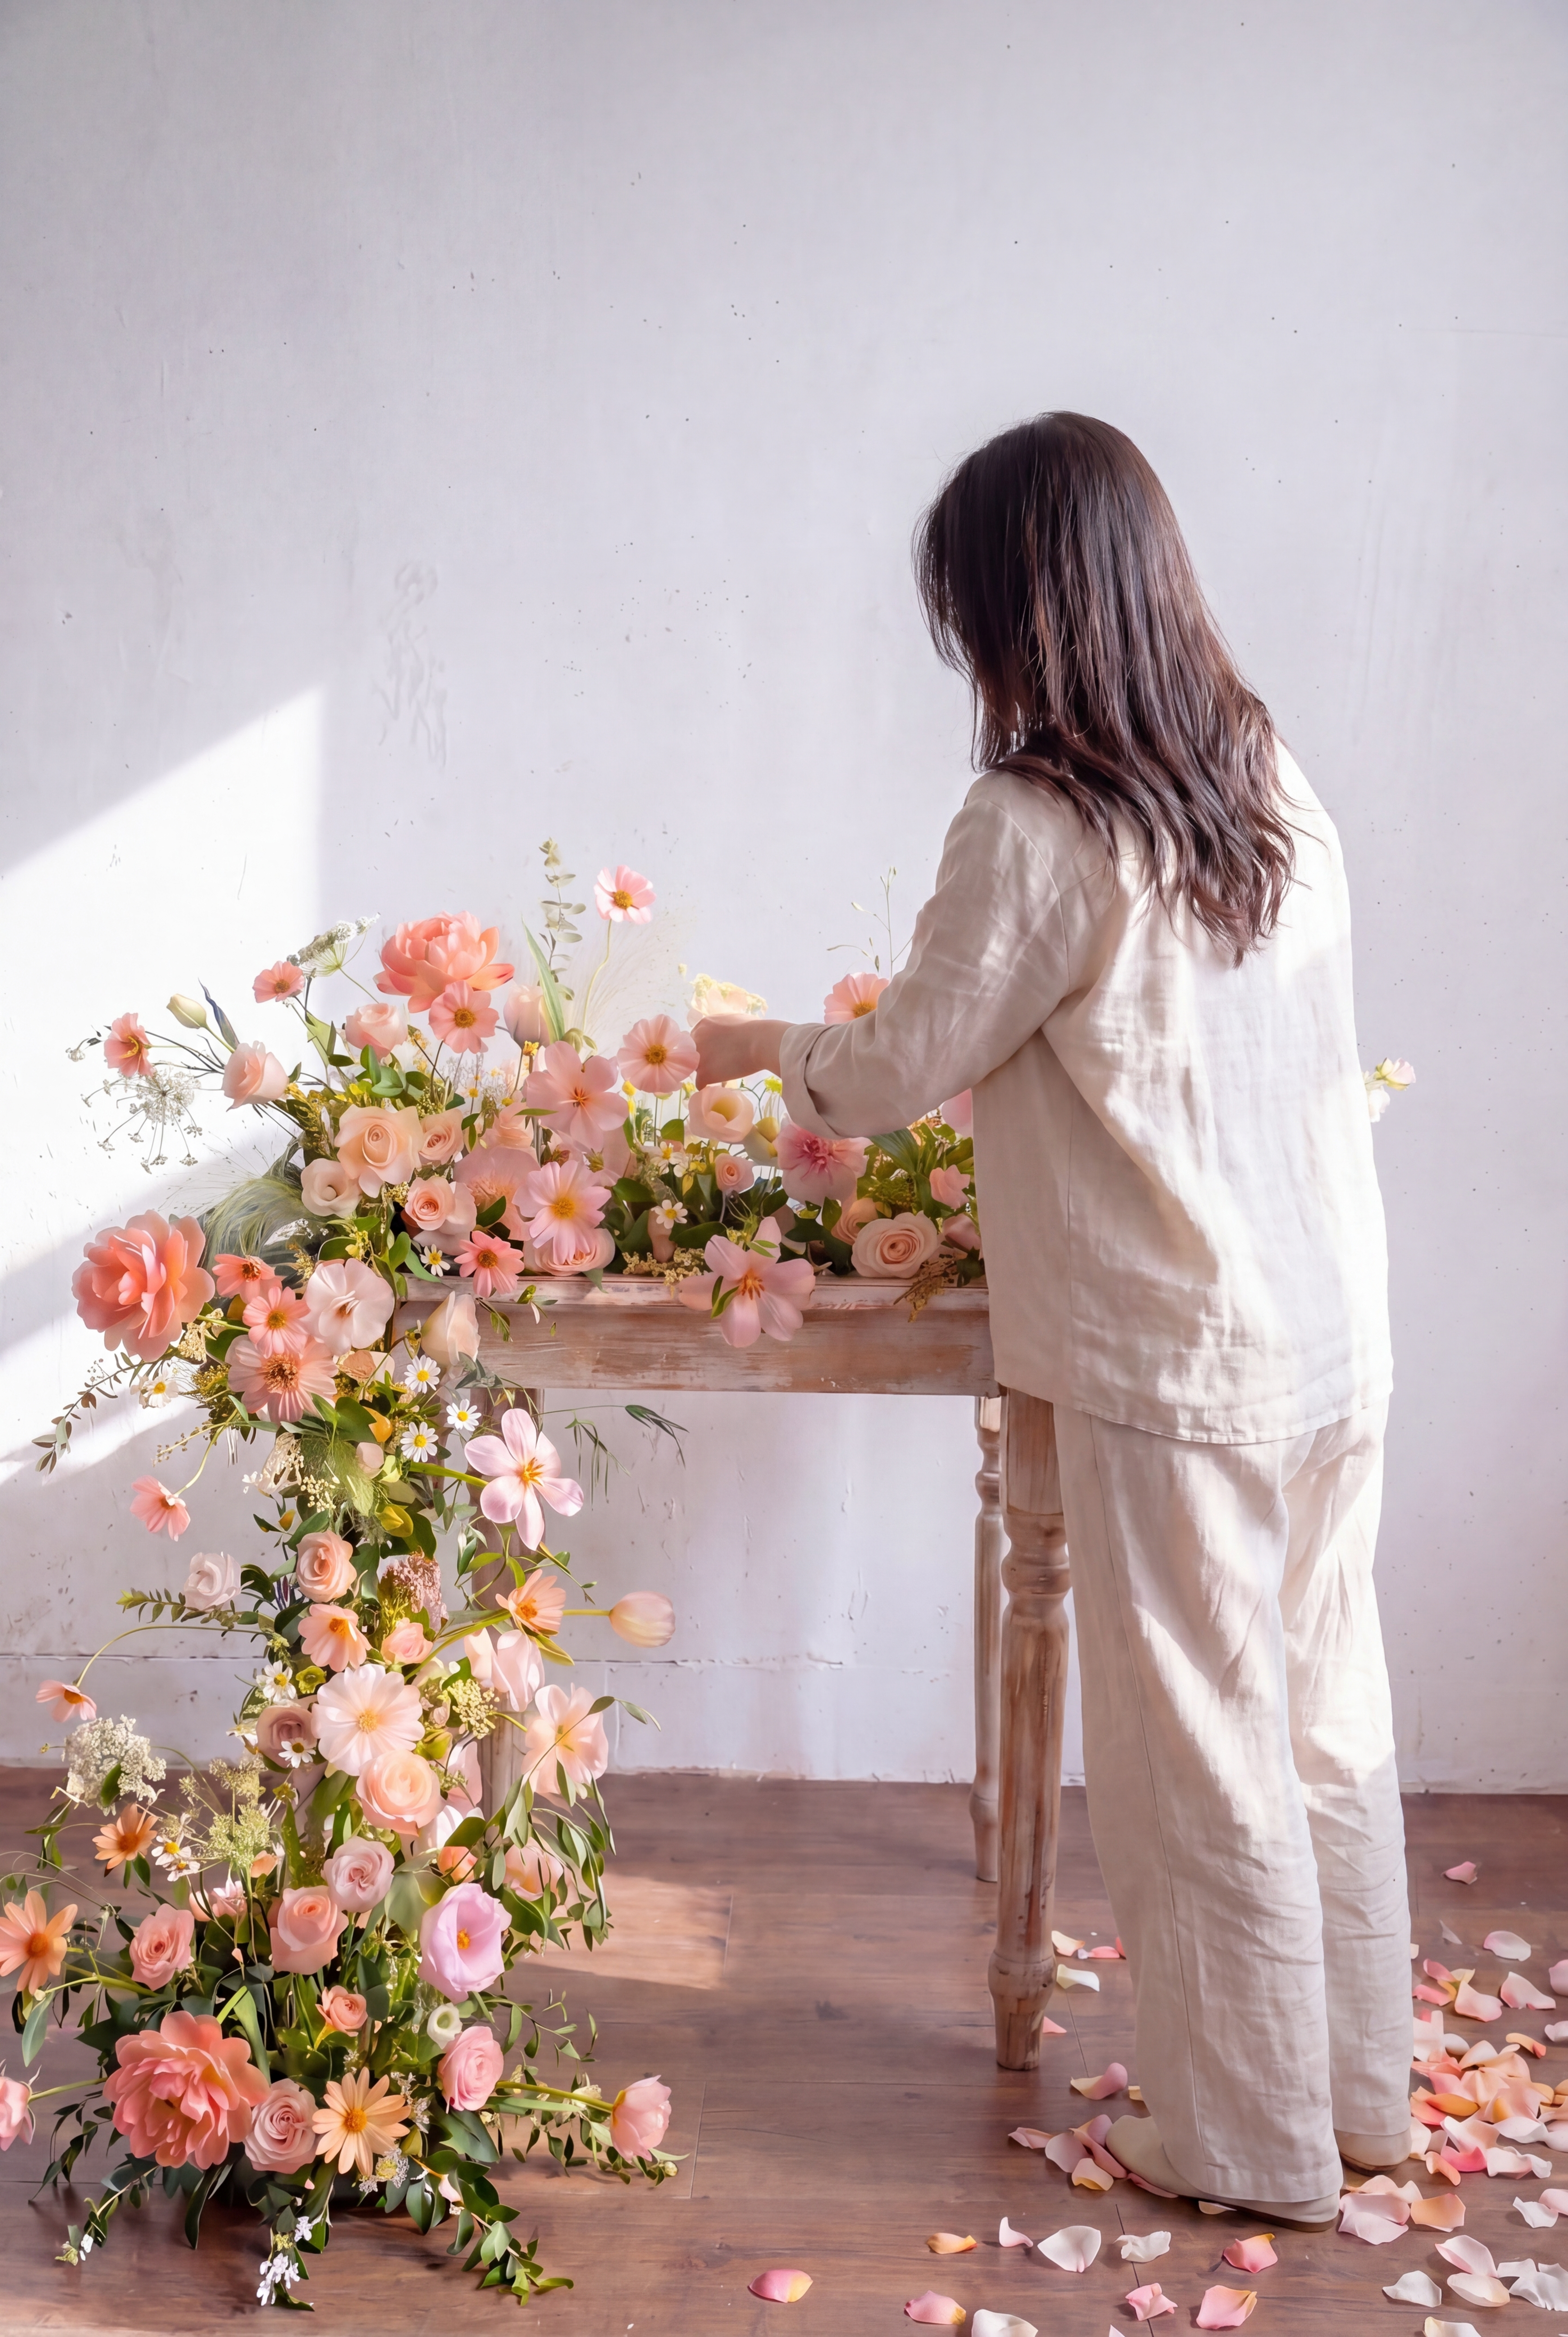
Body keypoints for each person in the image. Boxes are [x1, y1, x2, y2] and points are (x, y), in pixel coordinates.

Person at [693, 412, 1410, 2229]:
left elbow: (887, 1072)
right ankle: (1353, 2095)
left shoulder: (1034, 819)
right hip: (1330, 1327)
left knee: (1200, 1750)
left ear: (1019, 608)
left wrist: (741, 1047)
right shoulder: (1260, 772)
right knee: (1322, 1711)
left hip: (1178, 1353)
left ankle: (1244, 2144)